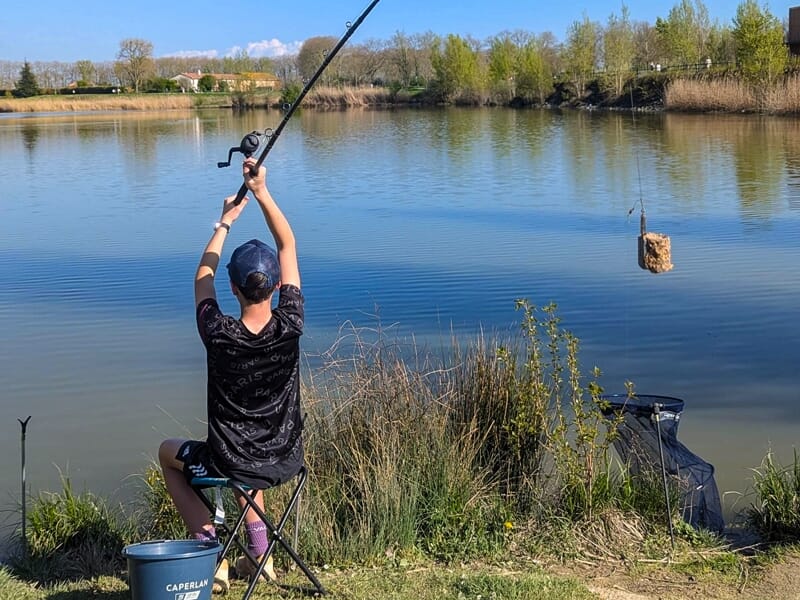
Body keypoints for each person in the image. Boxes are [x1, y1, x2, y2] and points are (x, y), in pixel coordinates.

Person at [159, 157, 304, 592]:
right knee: (249, 464)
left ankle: (210, 549)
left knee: (168, 454)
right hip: (286, 456)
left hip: (231, 458)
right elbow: (288, 247)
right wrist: (261, 191)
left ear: (234, 289)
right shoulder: (290, 324)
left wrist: (224, 222)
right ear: (278, 288)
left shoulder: (218, 332)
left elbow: (202, 277)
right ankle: (260, 555)